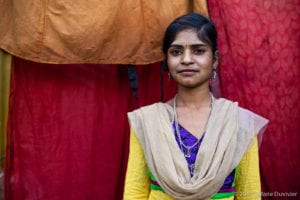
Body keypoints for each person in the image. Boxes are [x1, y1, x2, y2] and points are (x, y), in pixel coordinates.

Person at [123, 13, 268, 200]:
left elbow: (249, 193)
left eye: (198, 50)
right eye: (176, 52)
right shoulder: (148, 121)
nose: (186, 59)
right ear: (167, 61)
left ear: (215, 59)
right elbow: (135, 192)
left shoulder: (238, 122)